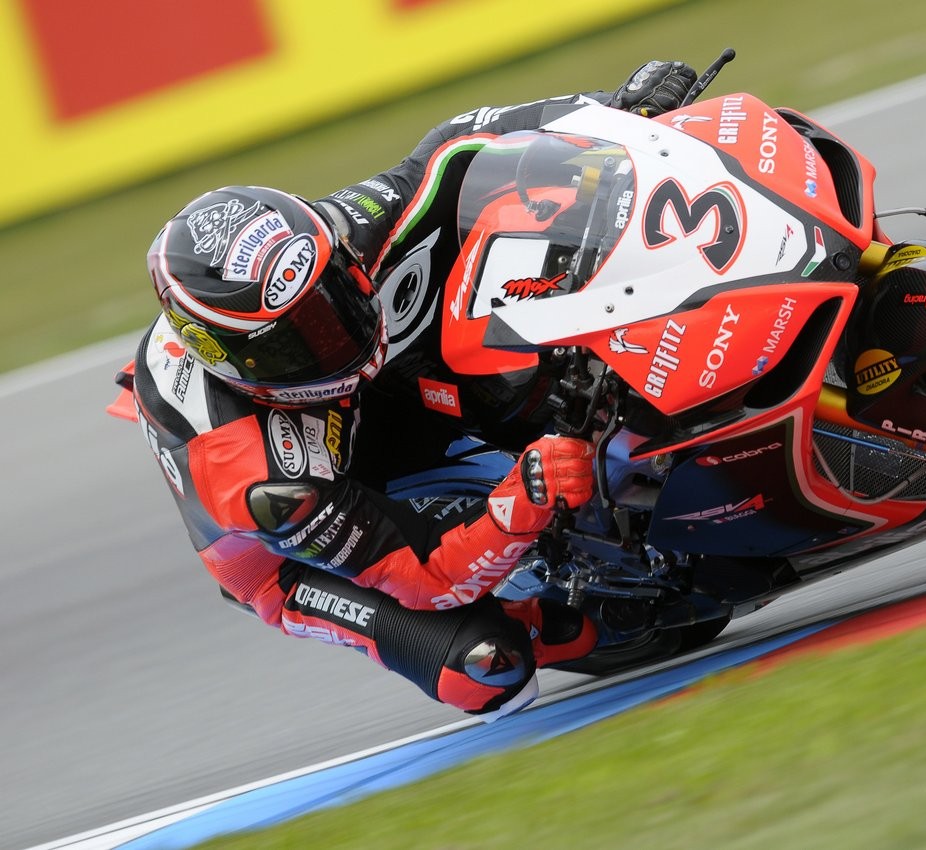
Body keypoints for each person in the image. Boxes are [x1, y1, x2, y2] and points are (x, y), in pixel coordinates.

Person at [114, 61, 698, 720]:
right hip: (297, 545)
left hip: (358, 404)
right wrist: (524, 500)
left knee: (488, 304)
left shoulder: (332, 234)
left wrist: (611, 111)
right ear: (236, 363)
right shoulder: (264, 482)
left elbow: (455, 149)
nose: (334, 338)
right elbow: (425, 576)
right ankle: (572, 611)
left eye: (332, 298)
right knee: (484, 668)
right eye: (293, 344)